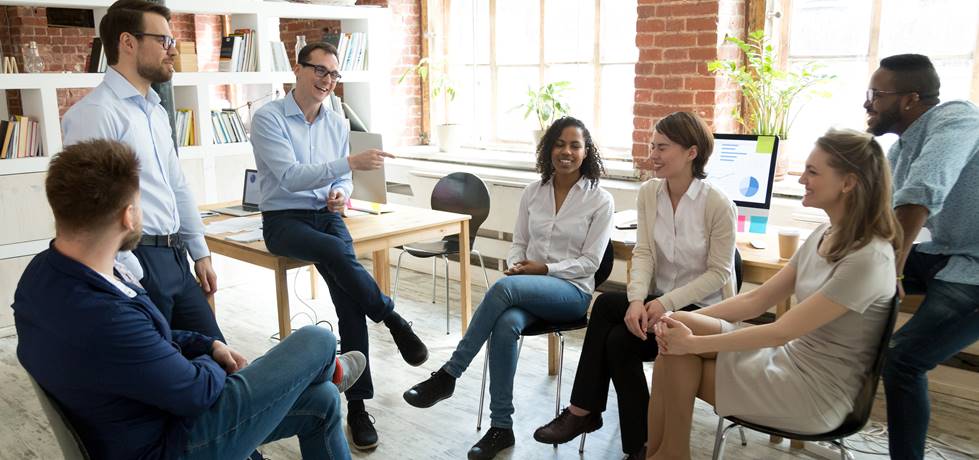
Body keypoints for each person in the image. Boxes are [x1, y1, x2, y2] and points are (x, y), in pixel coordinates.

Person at [14, 139, 367, 460]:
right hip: (171, 443)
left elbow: (149, 343)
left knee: (320, 402)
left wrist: (209, 344)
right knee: (317, 340)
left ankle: (325, 376)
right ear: (128, 215)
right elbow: (194, 392)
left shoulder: (41, 277)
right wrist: (215, 363)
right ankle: (329, 370)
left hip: (140, 416)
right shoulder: (103, 316)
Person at [646, 128, 900, 459]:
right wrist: (675, 320)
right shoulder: (824, 233)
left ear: (848, 183)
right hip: (785, 364)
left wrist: (693, 343)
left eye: (812, 172)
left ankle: (667, 455)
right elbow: (757, 300)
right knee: (676, 330)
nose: (800, 180)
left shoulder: (869, 258)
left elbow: (782, 331)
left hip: (814, 393)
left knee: (679, 355)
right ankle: (665, 454)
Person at [249, 41, 428, 450]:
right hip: (284, 221)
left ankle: (359, 408)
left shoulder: (335, 120)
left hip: (328, 216)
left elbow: (339, 181)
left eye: (333, 74)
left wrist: (339, 191)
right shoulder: (268, 118)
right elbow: (292, 178)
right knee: (335, 254)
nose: (327, 81)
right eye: (319, 70)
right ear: (297, 70)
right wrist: (348, 166)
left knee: (350, 305)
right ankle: (394, 319)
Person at [402, 117, 614, 460]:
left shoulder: (599, 200)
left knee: (504, 290)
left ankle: (449, 374)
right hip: (528, 288)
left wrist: (541, 269)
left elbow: (590, 263)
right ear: (548, 149)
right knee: (505, 325)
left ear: (587, 152)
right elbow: (519, 244)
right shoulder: (533, 193)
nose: (567, 151)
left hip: (571, 293)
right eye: (559, 143)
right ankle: (501, 427)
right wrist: (517, 265)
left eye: (575, 145)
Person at [532, 111, 737, 459]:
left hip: (702, 314)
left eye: (662, 148)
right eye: (652, 145)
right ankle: (621, 434)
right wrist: (638, 300)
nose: (652, 155)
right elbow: (643, 254)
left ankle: (594, 417)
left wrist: (663, 303)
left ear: (691, 153)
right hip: (660, 308)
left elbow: (719, 274)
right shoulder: (649, 194)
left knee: (618, 341)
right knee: (611, 309)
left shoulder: (717, 204)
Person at [61, 0, 222, 341]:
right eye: (163, 40)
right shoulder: (95, 113)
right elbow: (92, 211)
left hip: (175, 256)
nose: (172, 50)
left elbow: (175, 185)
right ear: (128, 43)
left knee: (219, 357)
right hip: (136, 261)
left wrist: (200, 251)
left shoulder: (156, 111)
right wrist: (129, 276)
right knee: (160, 376)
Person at [865, 54, 979, 460]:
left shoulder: (957, 119)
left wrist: (890, 271)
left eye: (876, 95)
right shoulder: (901, 147)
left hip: (975, 267)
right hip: (939, 252)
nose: (868, 103)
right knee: (842, 282)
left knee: (904, 359)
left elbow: (918, 197)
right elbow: (880, 213)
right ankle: (818, 410)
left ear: (911, 99)